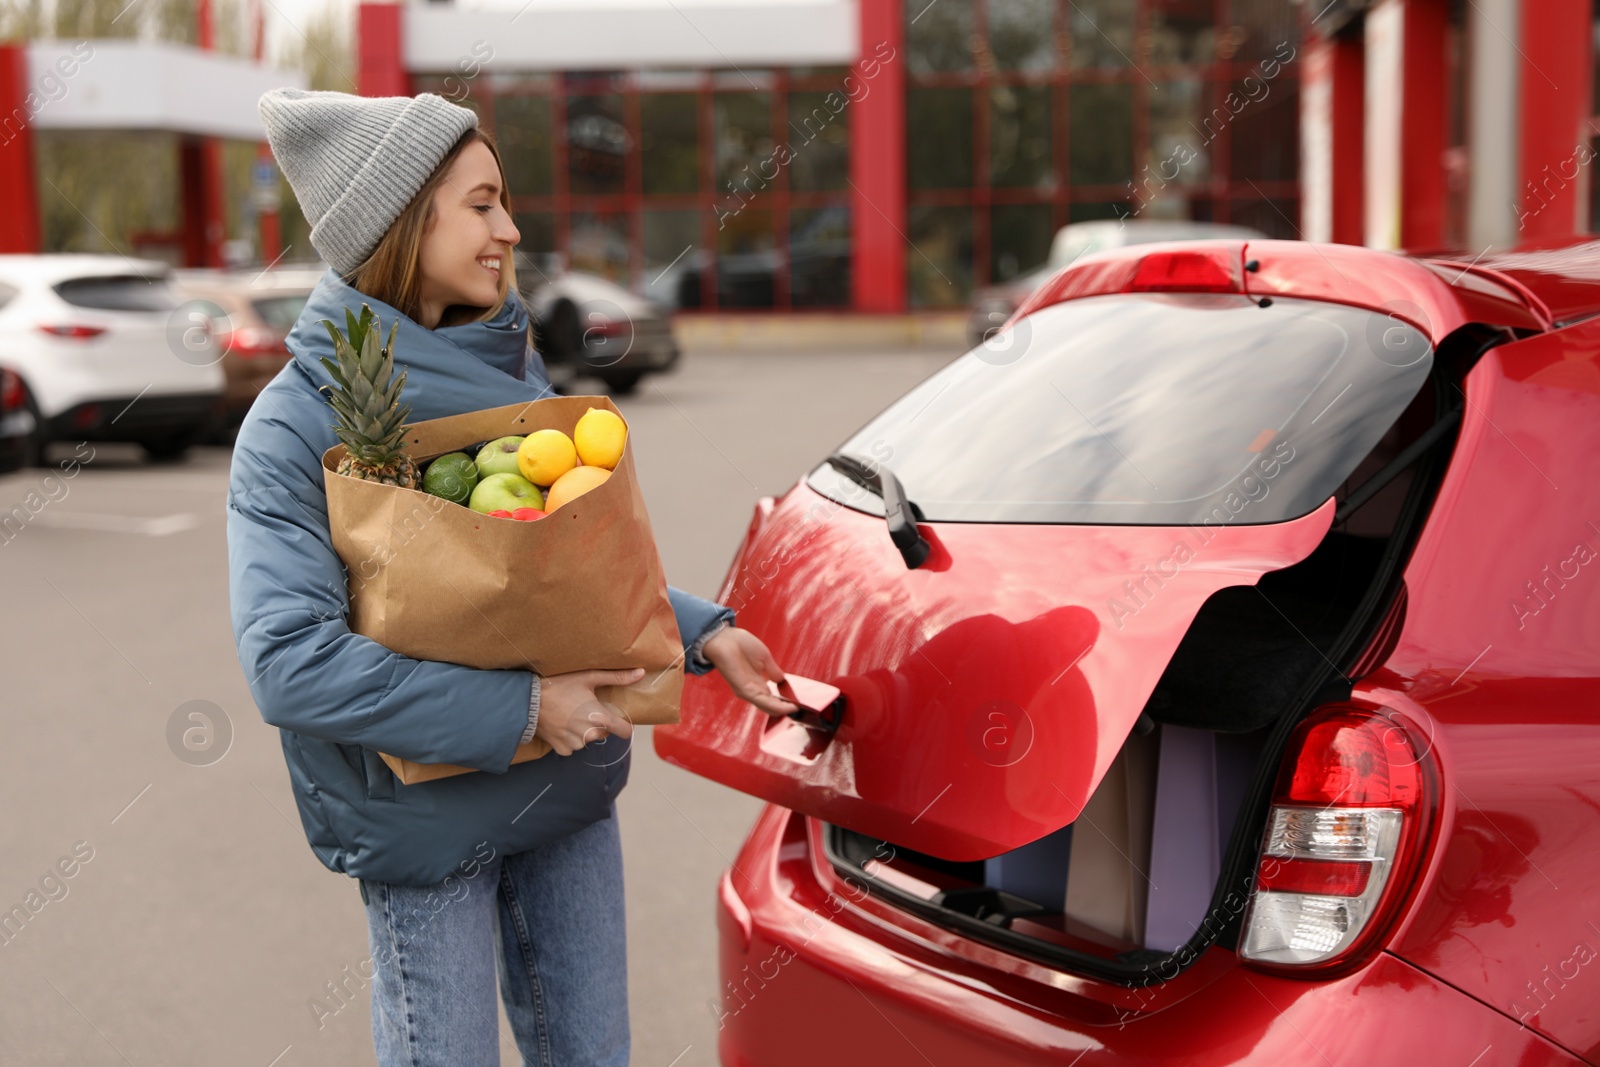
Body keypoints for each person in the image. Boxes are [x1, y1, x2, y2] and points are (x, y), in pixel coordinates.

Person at [227, 88, 798, 1067]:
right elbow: (290, 663)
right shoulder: (294, 425)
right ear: (405, 222)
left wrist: (700, 630)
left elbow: (544, 577)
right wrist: (527, 707)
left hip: (562, 793)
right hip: (423, 814)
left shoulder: (515, 368)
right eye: (483, 203)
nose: (511, 228)